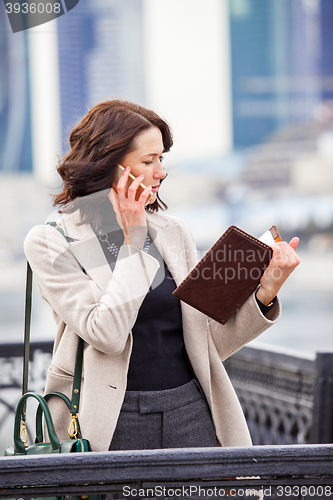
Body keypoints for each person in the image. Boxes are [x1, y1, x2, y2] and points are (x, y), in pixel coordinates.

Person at [24, 99, 300, 452]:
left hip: (191, 413)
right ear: (112, 165)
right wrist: (133, 243)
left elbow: (206, 345)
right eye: (148, 161)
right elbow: (105, 334)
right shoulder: (51, 240)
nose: (161, 172)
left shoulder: (172, 232)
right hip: (107, 422)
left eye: (161, 160)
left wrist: (265, 291)